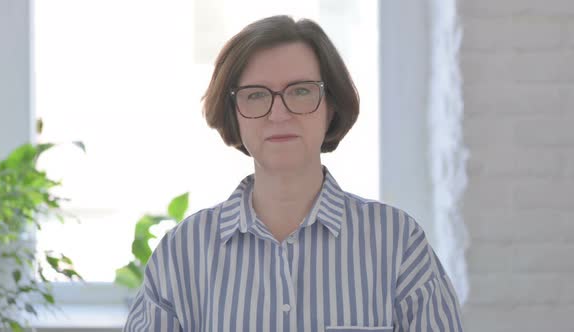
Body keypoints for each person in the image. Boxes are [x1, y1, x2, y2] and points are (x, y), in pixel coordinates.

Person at [124, 15, 463, 332]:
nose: (279, 113)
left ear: (331, 105)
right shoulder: (182, 253)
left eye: (300, 91)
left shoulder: (398, 243)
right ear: (234, 114)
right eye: (256, 95)